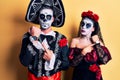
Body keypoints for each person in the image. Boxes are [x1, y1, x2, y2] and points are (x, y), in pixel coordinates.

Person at [19, 0, 69, 80]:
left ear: (53, 19)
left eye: (48, 17)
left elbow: (66, 65)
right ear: (38, 18)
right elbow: (24, 62)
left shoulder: (61, 38)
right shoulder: (27, 36)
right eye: (42, 16)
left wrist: (52, 59)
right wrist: (34, 38)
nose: (45, 20)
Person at [69, 10, 112, 80]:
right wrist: (83, 52)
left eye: (88, 25)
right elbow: (72, 64)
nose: (83, 27)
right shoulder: (75, 41)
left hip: (94, 77)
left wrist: (97, 43)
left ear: (93, 29)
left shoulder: (98, 42)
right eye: (82, 24)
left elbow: (104, 60)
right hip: (79, 76)